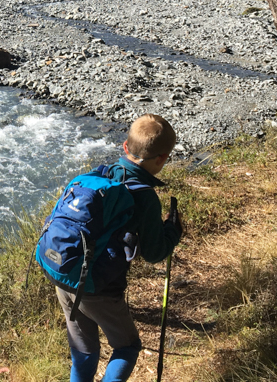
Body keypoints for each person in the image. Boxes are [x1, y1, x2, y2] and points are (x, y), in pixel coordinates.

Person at [55, 113, 182, 382]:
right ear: (162, 159)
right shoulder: (144, 196)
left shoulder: (101, 174)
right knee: (127, 346)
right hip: (97, 289)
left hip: (64, 274)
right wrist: (172, 231)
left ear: (125, 147)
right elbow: (154, 253)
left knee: (84, 349)